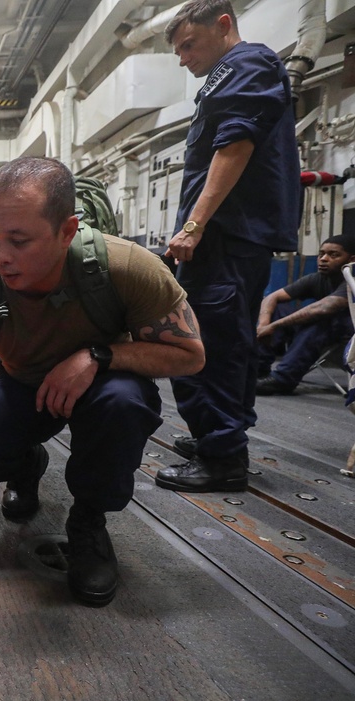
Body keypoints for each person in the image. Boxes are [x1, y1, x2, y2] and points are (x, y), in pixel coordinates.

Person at [0, 157, 204, 607]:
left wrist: (100, 355)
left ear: (67, 231)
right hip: (23, 387)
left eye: (19, 240)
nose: (1, 256)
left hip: (104, 384)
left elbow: (191, 356)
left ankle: (89, 524)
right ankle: (25, 465)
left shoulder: (126, 268)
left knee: (123, 405)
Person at [155, 0, 301, 493]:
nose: (183, 58)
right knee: (226, 340)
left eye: (188, 45)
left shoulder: (247, 64)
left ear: (224, 25)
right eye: (177, 51)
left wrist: (194, 226)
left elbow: (234, 147)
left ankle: (222, 457)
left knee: (206, 344)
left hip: (226, 237)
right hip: (229, 238)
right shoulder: (234, 74)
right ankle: (220, 439)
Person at [254, 235, 355, 395]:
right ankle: (258, 369)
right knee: (278, 307)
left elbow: (325, 308)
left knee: (318, 319)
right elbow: (273, 297)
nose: (323, 259)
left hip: (349, 333)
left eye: (333, 255)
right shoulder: (317, 278)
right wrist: (263, 324)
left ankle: (282, 380)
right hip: (328, 331)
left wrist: (273, 326)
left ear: (351, 259)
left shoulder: (352, 280)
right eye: (321, 254)